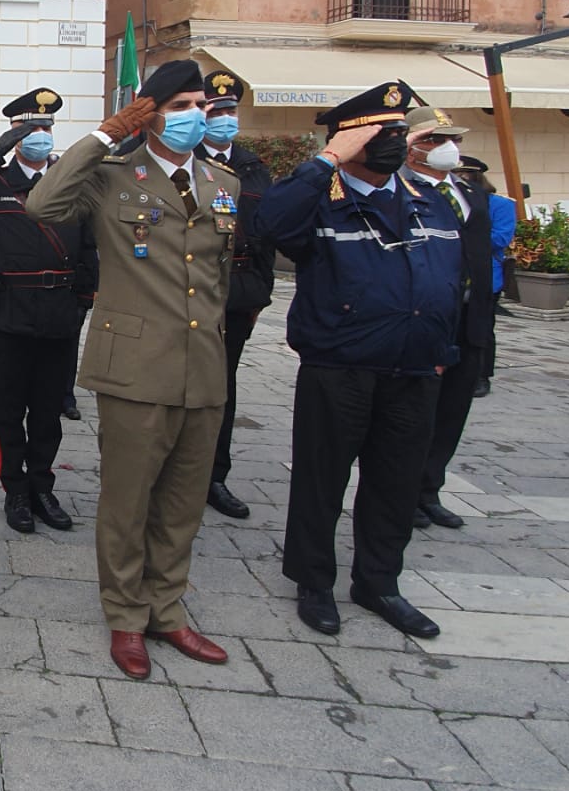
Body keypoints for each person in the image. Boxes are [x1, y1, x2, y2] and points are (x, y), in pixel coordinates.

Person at [27, 60, 237, 680]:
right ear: (148, 115)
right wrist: (105, 134)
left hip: (204, 366)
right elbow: (42, 203)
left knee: (183, 501)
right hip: (135, 366)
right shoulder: (113, 177)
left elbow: (215, 278)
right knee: (128, 500)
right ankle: (125, 616)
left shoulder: (222, 181)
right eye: (179, 106)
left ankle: (167, 609)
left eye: (201, 104)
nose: (195, 116)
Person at [256, 81, 460, 640]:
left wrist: (445, 349)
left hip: (415, 369)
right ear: (350, 141)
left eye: (400, 132)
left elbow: (450, 277)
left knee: (395, 483)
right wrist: (324, 162)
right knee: (322, 480)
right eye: (383, 133)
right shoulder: (320, 198)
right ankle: (313, 581)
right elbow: (268, 226)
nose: (395, 142)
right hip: (339, 366)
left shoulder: (427, 197)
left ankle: (379, 582)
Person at [0, 87, 97, 534]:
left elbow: (89, 242)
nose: (40, 135)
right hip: (10, 314)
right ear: (14, 133)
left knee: (48, 410)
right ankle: (14, 489)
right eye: (30, 128)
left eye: (46, 127)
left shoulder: (71, 180)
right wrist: (0, 149)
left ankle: (42, 485)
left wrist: (84, 300)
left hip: (61, 313)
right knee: (10, 410)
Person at [399, 108, 489, 531]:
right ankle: (404, 490)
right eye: (434, 139)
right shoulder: (398, 190)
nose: (445, 148)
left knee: (453, 409)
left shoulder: (471, 192)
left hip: (468, 316)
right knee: (417, 413)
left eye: (451, 138)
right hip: (425, 315)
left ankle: (429, 488)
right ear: (410, 145)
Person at [195, 68, 274, 520]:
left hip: (239, 291)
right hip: (195, 287)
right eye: (215, 110)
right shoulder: (185, 159)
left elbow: (266, 237)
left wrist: (260, 295)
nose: (224, 118)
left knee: (223, 388)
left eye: (229, 110)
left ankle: (215, 475)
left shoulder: (252, 166)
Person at [459, 156, 513, 398]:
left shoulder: (499, 204)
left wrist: (464, 235)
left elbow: (501, 238)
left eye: (466, 176)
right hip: (454, 273)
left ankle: (482, 375)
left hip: (485, 275)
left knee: (482, 328)